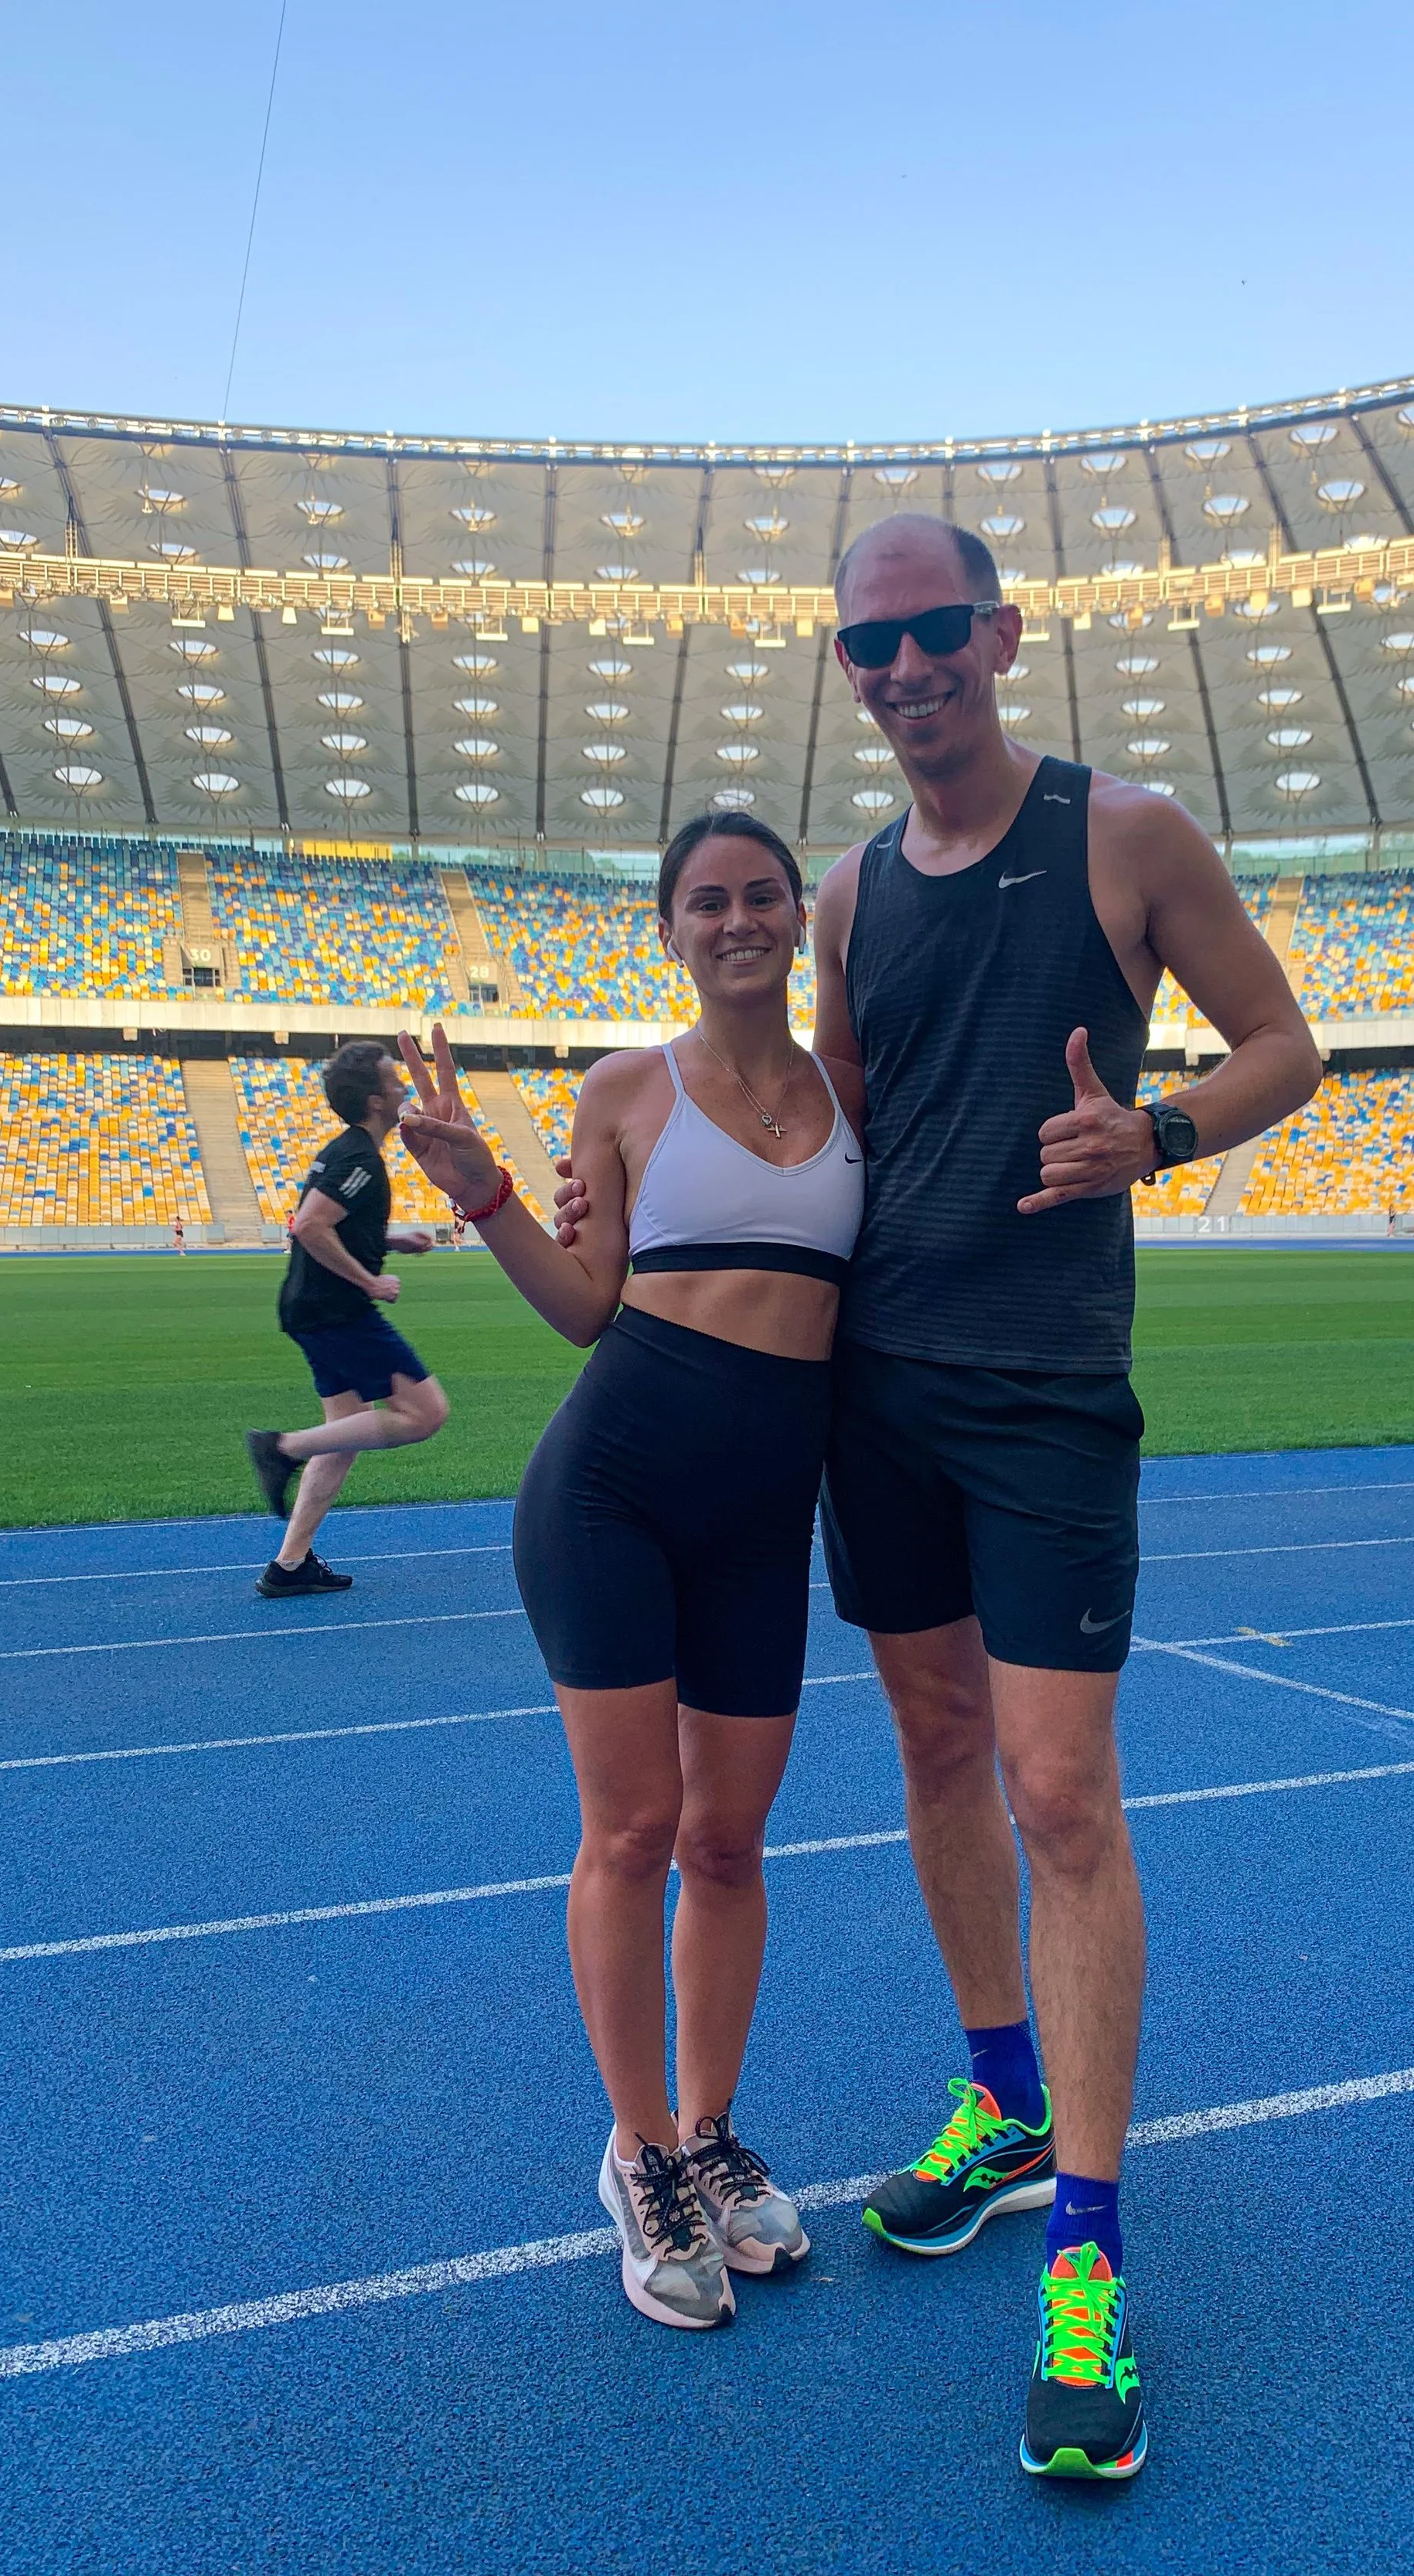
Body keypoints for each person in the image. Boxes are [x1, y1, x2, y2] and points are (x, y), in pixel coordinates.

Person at [779, 513, 1317, 2479]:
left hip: (1048, 1397)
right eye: (871, 646)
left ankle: (1084, 2253)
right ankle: (997, 2096)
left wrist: (1153, 1134)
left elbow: (1288, 1044)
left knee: (1061, 1795)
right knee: (931, 1744)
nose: (908, 668)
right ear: (846, 670)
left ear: (999, 635)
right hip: (878, 1394)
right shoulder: (844, 891)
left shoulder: (1128, 832)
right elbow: (826, 1122)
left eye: (935, 632)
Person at [400, 812, 864, 2336]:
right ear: (668, 927)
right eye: (703, 901)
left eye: (758, 895)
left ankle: (713, 2133)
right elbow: (583, 1309)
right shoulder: (624, 1088)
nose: (735, 919)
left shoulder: (855, 1091)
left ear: (798, 919)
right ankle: (639, 2151)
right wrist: (482, 1191)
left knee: (728, 1840)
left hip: (759, 1512)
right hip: (608, 1490)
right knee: (634, 1827)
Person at [243, 1042, 446, 1595]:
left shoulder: (344, 1151)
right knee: (426, 1413)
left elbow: (332, 1223)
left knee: (345, 1435)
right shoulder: (359, 1158)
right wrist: (371, 1280)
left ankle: (289, 1565)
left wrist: (391, 1240)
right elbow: (309, 1226)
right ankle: (280, 1447)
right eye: (394, 1079)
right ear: (377, 1100)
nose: (405, 1085)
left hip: (312, 1309)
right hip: (336, 1311)